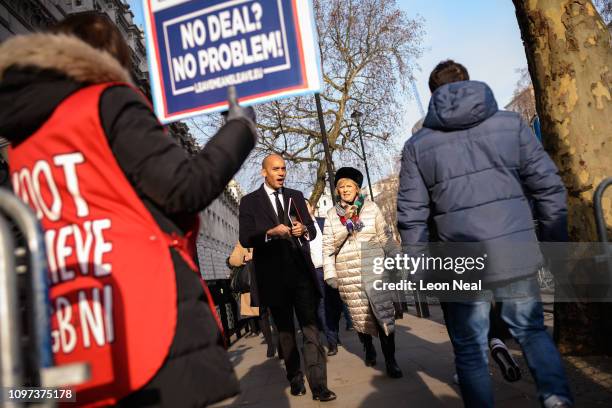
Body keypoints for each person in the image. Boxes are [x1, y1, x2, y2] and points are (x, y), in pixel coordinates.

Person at [0, 12, 256, 407]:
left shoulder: (23, 143)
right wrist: (240, 129)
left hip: (70, 323)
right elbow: (185, 188)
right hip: (143, 310)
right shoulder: (107, 102)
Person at [397, 60, 572, 407]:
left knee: (470, 348)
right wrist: (554, 243)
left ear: (434, 94)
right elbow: (549, 188)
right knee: (531, 331)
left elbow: (412, 217)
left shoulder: (418, 146)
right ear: (469, 83)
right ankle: (555, 399)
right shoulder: (511, 125)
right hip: (514, 249)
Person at [238, 154, 336, 402]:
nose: (281, 173)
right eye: (276, 169)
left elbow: (312, 231)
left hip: (301, 274)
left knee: (311, 329)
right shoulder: (250, 202)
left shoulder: (295, 196)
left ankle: (320, 385)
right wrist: (269, 233)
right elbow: (245, 238)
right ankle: (295, 378)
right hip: (273, 277)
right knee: (285, 332)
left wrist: (304, 230)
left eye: (283, 168)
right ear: (264, 172)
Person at [322, 167, 403, 378]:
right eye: (341, 187)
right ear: (337, 191)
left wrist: (396, 258)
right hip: (349, 273)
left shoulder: (371, 208)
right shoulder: (332, 215)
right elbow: (328, 247)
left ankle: (391, 360)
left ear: (357, 189)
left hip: (375, 269)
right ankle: (368, 346)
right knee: (360, 317)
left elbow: (385, 236)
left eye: (349, 186)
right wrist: (330, 274)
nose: (345, 190)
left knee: (384, 315)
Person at [305, 199, 342, 356]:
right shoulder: (298, 230)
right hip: (314, 272)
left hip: (332, 268)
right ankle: (332, 341)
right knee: (322, 306)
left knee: (337, 304)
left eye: (306, 206)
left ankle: (334, 330)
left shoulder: (324, 222)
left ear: (312, 207)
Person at [228, 242, 277, 357]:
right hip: (253, 284)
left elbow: (273, 251)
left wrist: (255, 255)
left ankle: (280, 344)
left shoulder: (264, 235)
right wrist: (243, 258)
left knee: (275, 313)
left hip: (269, 279)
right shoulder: (242, 242)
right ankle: (270, 345)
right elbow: (232, 260)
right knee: (261, 315)